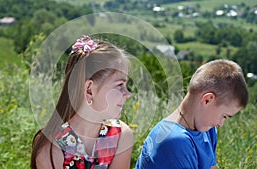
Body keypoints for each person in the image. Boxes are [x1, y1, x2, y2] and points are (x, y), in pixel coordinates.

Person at [30, 35, 133, 169]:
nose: (127, 94)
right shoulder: (50, 147)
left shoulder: (120, 136)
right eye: (119, 85)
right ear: (89, 90)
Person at [135, 59, 249, 169]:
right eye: (224, 116)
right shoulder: (174, 140)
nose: (221, 124)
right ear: (207, 100)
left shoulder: (207, 130)